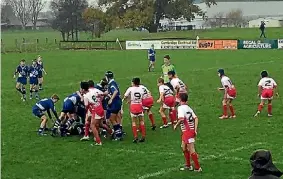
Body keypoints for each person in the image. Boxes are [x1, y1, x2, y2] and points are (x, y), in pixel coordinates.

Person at [173, 93, 202, 172]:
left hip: (188, 131)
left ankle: (197, 167)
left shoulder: (180, 108)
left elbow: (182, 119)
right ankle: (188, 165)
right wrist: (195, 129)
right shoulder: (188, 107)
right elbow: (196, 118)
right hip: (188, 131)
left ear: (180, 99)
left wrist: (176, 125)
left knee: (191, 149)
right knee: (183, 147)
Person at [81, 80, 112, 145]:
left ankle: (98, 141)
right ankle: (111, 132)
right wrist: (100, 100)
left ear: (83, 89)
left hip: (96, 110)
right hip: (100, 108)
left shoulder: (85, 96)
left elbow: (86, 106)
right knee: (100, 124)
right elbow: (102, 94)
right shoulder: (94, 91)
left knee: (92, 126)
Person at [123, 78, 146, 143]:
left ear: (133, 83)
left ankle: (135, 136)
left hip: (133, 106)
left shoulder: (130, 88)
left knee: (134, 122)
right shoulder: (142, 88)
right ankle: (143, 136)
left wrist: (128, 99)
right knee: (141, 121)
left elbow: (125, 96)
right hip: (139, 105)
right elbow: (144, 97)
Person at [105, 71, 123, 140]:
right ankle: (119, 132)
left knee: (112, 118)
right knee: (115, 118)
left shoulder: (111, 83)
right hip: (117, 102)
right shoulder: (113, 82)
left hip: (115, 103)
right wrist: (108, 94)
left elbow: (115, 91)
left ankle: (118, 135)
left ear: (107, 77)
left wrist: (111, 99)